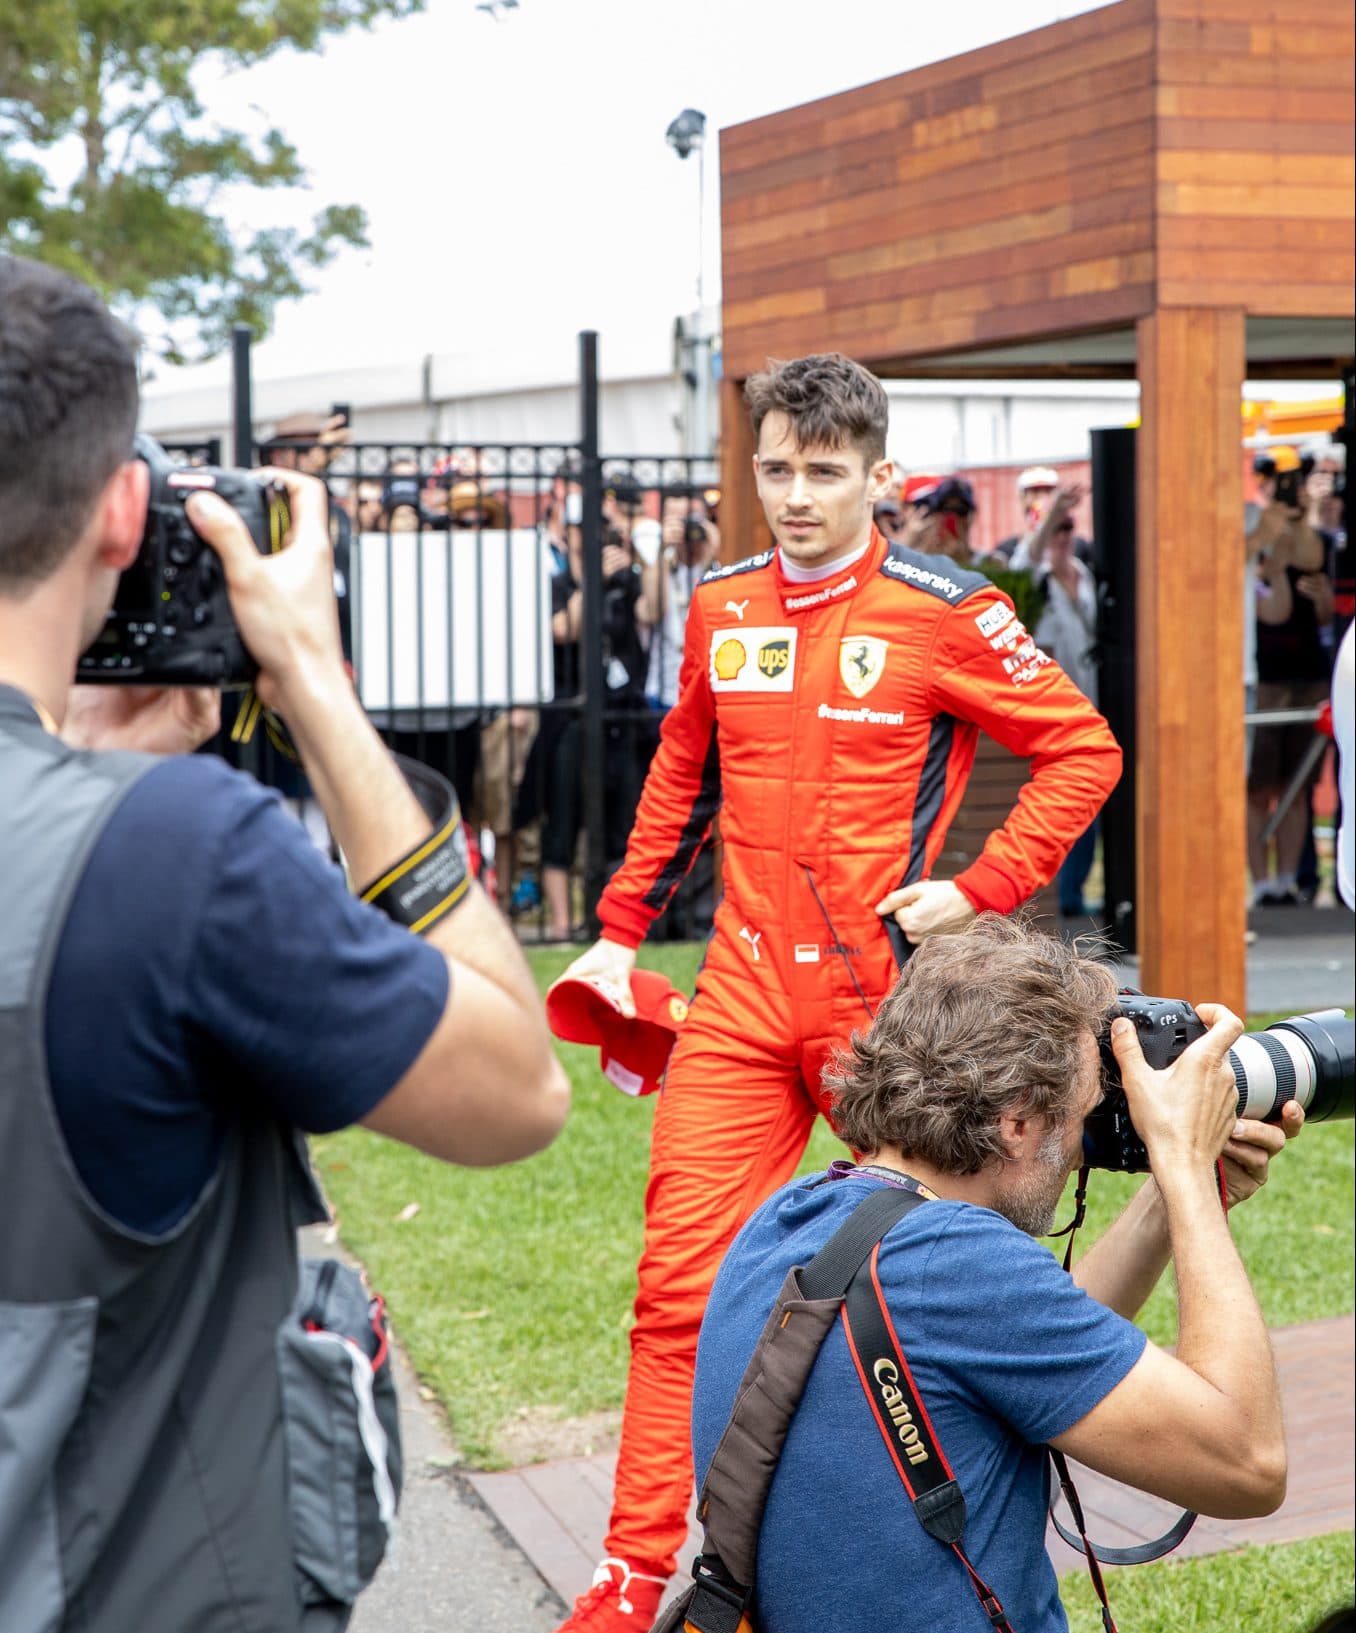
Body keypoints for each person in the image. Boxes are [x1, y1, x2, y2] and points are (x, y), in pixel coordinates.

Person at [0, 254, 569, 1633]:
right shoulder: (173, 856)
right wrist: (313, 686)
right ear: (122, 508)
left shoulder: (138, 843)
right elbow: (515, 1089)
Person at [552, 352, 1122, 1630]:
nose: (795, 496)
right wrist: (617, 931)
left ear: (881, 476)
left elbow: (1083, 750)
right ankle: (634, 1576)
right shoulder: (721, 604)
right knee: (678, 1288)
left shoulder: (946, 607)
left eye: (822, 471)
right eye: (775, 470)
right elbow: (681, 775)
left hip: (884, 1011)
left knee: (901, 1292)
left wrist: (980, 887)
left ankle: (894, 1561)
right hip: (742, 995)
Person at [692, 914, 1302, 1633]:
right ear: (1016, 1124)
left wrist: (1172, 1198)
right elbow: (1248, 1462)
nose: (1080, 1147)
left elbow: (1030, 1352)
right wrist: (1185, 1168)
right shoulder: (959, 1267)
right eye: (1081, 1115)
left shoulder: (792, 1217)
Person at [1247, 455, 1335, 905]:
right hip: (1265, 675)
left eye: (1291, 481)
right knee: (1258, 786)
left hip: (1308, 673)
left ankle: (1285, 882)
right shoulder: (1253, 530)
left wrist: (1302, 515)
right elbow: (1272, 604)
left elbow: (1312, 560)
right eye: (1277, 482)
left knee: (1296, 787)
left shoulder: (1310, 537)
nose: (1283, 489)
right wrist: (1274, 528)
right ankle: (1261, 883)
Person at [1009, 497, 1102, 916]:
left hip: (1092, 703)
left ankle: (1073, 893)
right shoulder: (1035, 576)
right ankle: (1056, 895)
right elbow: (1020, 567)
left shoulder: (1084, 573)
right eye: (1054, 529)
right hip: (1052, 710)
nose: (1062, 537)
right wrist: (1046, 522)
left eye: (1068, 528)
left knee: (1089, 803)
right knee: (1058, 800)